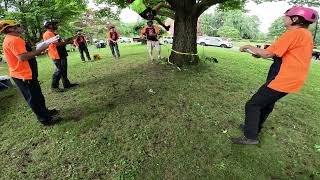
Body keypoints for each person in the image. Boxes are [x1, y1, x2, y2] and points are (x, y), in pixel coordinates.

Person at [230, 7, 319, 145]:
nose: (284, 18)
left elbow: (267, 53)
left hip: (284, 78)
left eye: (287, 16)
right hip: (293, 78)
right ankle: (253, 128)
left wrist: (248, 46)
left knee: (253, 105)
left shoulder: (293, 33)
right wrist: (260, 53)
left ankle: (250, 137)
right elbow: (282, 54)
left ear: (295, 19)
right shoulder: (305, 34)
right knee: (266, 104)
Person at [0, 20, 61, 125]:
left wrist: (38, 48)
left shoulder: (13, 39)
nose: (20, 27)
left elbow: (24, 52)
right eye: (17, 26)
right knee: (33, 98)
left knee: (38, 95)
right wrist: (41, 49)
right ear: (10, 29)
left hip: (24, 73)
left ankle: (45, 112)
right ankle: (45, 119)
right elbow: (22, 57)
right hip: (23, 74)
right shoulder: (14, 40)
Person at [43, 20, 78, 92]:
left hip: (61, 53)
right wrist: (69, 42)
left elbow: (60, 42)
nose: (56, 26)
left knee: (63, 69)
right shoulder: (48, 34)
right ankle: (54, 86)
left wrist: (69, 39)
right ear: (49, 26)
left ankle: (66, 84)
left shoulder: (53, 33)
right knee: (59, 70)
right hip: (56, 54)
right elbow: (56, 44)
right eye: (54, 24)